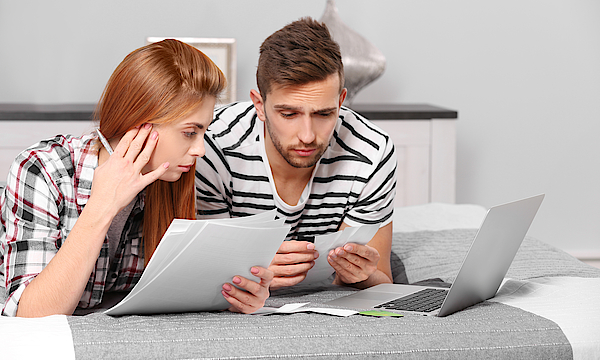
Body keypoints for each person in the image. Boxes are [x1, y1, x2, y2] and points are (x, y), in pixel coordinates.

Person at [0, 39, 273, 317]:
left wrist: (234, 293)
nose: (200, 150)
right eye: (190, 133)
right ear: (138, 124)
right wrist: (102, 206)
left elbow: (179, 291)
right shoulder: (42, 170)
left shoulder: (171, 178)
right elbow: (32, 317)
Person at [196, 17, 397, 290]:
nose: (307, 135)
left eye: (324, 114)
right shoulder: (211, 147)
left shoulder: (372, 152)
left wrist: (359, 275)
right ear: (259, 104)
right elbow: (203, 273)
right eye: (289, 114)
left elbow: (381, 280)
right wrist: (250, 270)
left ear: (340, 101)